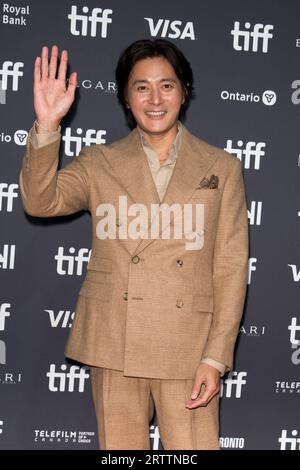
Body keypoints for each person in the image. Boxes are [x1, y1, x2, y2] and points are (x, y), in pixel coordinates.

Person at [19, 39, 249, 450]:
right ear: (126, 97)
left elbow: (230, 267)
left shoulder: (222, 166)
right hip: (115, 342)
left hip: (188, 345)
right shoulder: (99, 163)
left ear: (184, 90)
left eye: (167, 85)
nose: (155, 98)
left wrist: (215, 356)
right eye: (141, 87)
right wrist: (48, 125)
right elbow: (40, 201)